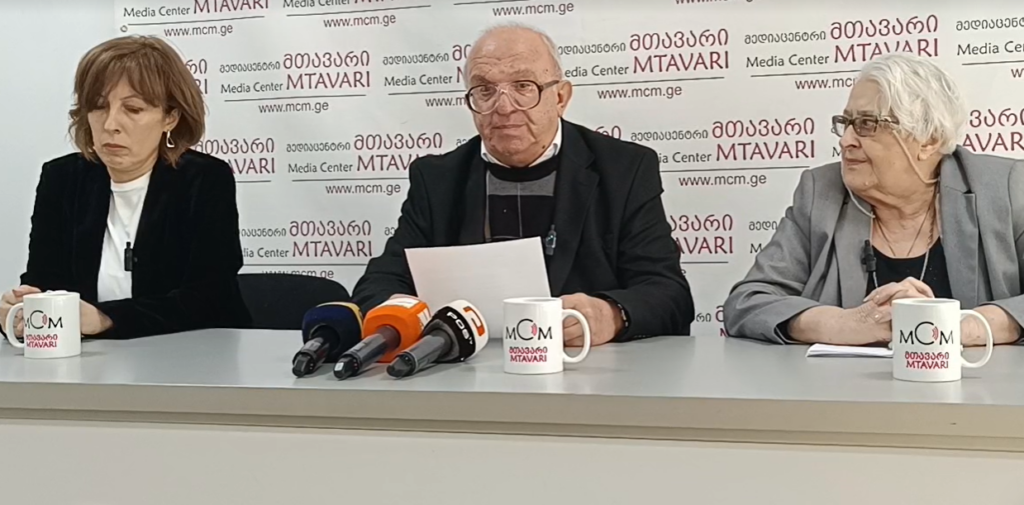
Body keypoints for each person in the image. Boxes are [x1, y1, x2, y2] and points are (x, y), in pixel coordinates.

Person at [352, 23, 694, 345]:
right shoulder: (437, 179)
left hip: (586, 369)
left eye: (523, 86)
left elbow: (669, 293)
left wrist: (611, 315)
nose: (503, 107)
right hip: (467, 371)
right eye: (485, 90)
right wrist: (405, 314)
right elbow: (378, 284)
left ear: (560, 98)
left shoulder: (624, 169)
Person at [723, 53, 1024, 346]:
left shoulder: (1005, 188)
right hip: (845, 382)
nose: (845, 140)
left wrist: (959, 327)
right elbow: (747, 302)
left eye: (867, 124)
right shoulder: (821, 192)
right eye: (846, 123)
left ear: (929, 139)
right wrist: (844, 324)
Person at [0, 35, 251, 340]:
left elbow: (210, 300)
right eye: (99, 107)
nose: (110, 125)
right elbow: (45, 282)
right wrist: (21, 311)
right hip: (90, 359)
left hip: (194, 353)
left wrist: (106, 318)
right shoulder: (62, 178)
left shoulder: (204, 179)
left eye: (132, 109)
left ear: (170, 117)